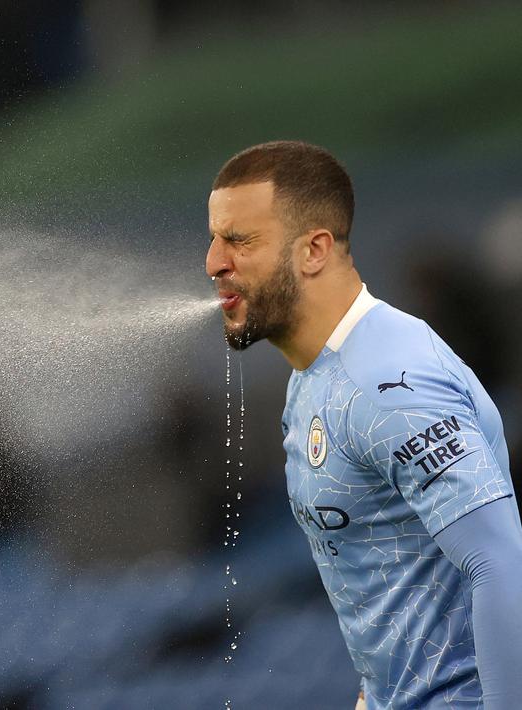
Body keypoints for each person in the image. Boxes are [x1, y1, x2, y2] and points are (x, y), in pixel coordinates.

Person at [204, 141, 522, 710]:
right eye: (214, 239)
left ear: (314, 250)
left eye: (240, 241)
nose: (213, 263)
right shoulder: (314, 378)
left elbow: (500, 561)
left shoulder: (388, 382)